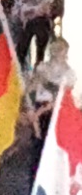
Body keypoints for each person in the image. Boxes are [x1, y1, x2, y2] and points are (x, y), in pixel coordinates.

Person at [25, 37, 75, 167]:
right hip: (40, 107)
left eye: (60, 49)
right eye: (55, 48)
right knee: (38, 146)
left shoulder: (69, 73)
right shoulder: (42, 68)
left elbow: (63, 94)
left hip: (57, 111)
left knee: (53, 146)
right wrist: (29, 107)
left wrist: (46, 82)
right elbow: (32, 88)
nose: (57, 52)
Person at [13, 0, 56, 68]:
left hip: (40, 21)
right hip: (31, 22)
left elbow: (44, 5)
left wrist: (28, 10)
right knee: (22, 50)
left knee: (38, 52)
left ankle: (35, 74)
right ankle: (23, 72)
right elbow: (19, 6)